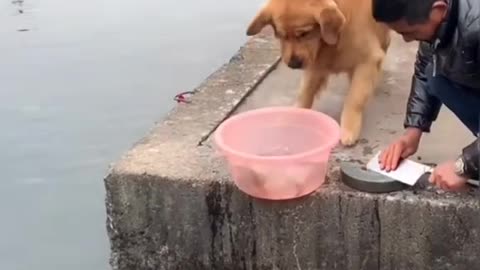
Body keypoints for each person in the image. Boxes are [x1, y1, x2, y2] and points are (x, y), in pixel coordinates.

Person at [371, 0, 479, 191]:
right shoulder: (441, 20)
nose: (406, 40)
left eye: (408, 32)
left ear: (438, 10)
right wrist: (412, 133)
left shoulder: (476, 27)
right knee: (434, 75)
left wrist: (464, 166)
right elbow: (425, 65)